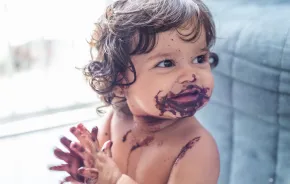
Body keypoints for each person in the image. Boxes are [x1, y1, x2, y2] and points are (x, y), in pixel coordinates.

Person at [49, 0, 220, 183]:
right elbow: (100, 173)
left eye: (199, 58)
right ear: (120, 82)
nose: (190, 75)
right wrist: (86, 171)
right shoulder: (115, 121)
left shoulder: (197, 148)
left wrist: (115, 180)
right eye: (166, 63)